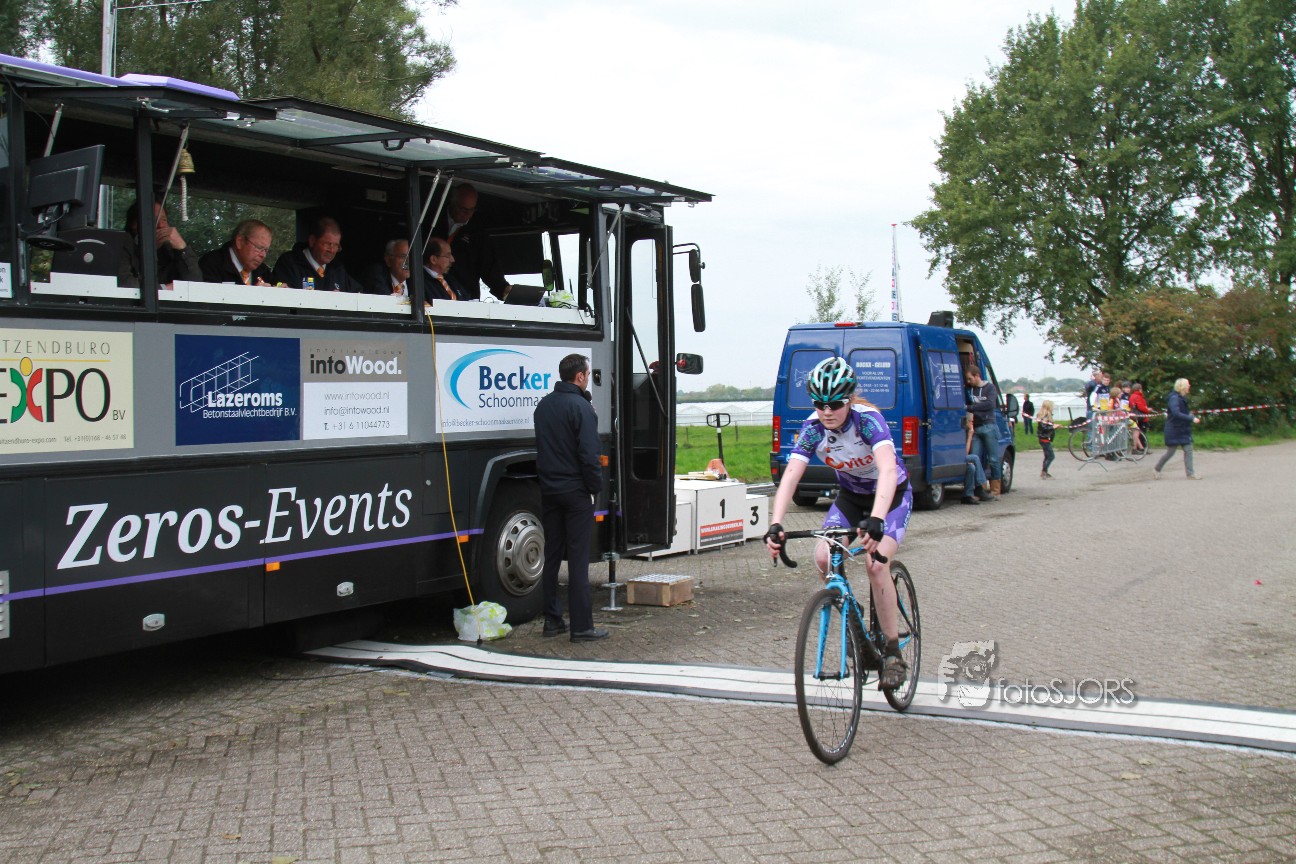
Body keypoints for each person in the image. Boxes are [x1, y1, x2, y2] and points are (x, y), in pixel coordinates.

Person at [764, 356, 913, 691]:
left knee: (876, 565)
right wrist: (776, 524)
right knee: (822, 556)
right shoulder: (813, 428)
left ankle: (893, 654)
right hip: (851, 497)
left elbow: (888, 469)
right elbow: (791, 475)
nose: (827, 411)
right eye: (819, 404)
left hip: (891, 497)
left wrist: (877, 518)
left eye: (835, 404)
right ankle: (853, 616)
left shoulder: (868, 421)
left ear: (849, 400)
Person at [533, 353, 606, 642]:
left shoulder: (543, 406)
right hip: (576, 493)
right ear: (579, 376)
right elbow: (589, 455)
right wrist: (594, 488)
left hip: (549, 490)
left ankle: (552, 621)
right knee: (577, 559)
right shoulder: (582, 408)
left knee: (551, 555)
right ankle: (582, 627)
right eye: (587, 375)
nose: (587, 379)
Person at [435, 184, 511, 301]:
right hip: (433, 292)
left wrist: (503, 289)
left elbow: (489, 266)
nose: (467, 214)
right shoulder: (432, 220)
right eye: (463, 209)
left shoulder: (478, 232)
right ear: (452, 203)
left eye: (471, 210)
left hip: (466, 297)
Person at [119, 199, 200, 288]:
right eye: (154, 220)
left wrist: (182, 248)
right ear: (134, 224)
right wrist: (164, 288)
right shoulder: (123, 244)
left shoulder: (169, 250)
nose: (161, 225)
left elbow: (195, 285)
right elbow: (124, 282)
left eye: (164, 220)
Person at [270, 216, 361, 292]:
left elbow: (358, 293)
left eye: (336, 245)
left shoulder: (337, 269)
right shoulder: (289, 263)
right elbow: (279, 292)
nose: (332, 250)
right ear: (312, 241)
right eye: (328, 244)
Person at [198, 219, 274, 286]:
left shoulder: (264, 272)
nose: (263, 255)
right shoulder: (211, 264)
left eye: (266, 250)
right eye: (259, 248)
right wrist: (254, 294)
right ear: (240, 241)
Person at [965, 366, 1003, 498]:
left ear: (977, 376)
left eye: (970, 378)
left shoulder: (990, 388)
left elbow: (990, 404)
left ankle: (995, 490)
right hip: (976, 427)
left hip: (989, 425)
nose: (969, 381)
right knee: (975, 457)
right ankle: (980, 487)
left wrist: (970, 407)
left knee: (993, 459)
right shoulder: (969, 390)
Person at [1154, 378, 1201, 480]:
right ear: (1182, 387)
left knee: (1188, 450)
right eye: (1188, 384)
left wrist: (1189, 415)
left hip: (1183, 429)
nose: (1189, 386)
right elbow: (1176, 413)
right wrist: (1191, 418)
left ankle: (1190, 474)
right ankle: (1157, 468)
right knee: (1170, 452)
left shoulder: (1182, 398)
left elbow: (1182, 412)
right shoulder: (1174, 398)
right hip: (1174, 429)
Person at [961, 414, 991, 505]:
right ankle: (980, 486)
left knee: (971, 468)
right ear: (966, 422)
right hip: (957, 458)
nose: (972, 424)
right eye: (971, 422)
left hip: (962, 458)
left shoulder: (966, 431)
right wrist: (970, 434)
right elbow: (965, 453)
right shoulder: (962, 432)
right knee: (975, 458)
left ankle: (968, 495)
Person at [423, 237, 464, 301]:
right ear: (433, 259)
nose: (452, 260)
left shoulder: (451, 279)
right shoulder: (420, 281)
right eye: (448, 256)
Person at [1129, 382, 1151, 451]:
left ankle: (1139, 447)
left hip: (1135, 416)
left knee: (1137, 431)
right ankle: (1142, 447)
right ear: (1139, 389)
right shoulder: (1138, 396)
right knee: (1141, 432)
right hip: (1141, 416)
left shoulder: (1132, 396)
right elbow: (1141, 407)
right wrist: (1148, 410)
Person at [1037, 400, 1056, 478]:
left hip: (1044, 438)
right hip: (1044, 438)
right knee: (1051, 456)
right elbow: (1044, 428)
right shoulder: (1044, 417)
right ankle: (1044, 471)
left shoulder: (1045, 416)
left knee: (1047, 456)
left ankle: (1045, 471)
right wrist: (1053, 427)